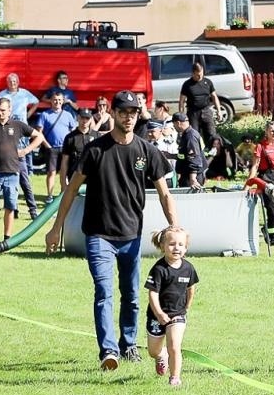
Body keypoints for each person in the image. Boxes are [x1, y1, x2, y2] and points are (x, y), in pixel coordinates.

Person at [45, 90, 179, 370]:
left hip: (131, 235)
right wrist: (56, 228)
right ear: (113, 114)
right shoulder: (95, 149)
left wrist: (174, 226)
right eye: (123, 112)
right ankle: (109, 351)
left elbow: (165, 194)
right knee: (104, 291)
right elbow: (70, 190)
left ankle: (128, 344)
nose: (128, 118)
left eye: (133, 113)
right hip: (98, 234)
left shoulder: (147, 151)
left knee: (131, 295)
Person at [145, 225, 199, 386]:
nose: (176, 248)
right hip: (157, 316)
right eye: (172, 244)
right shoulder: (159, 269)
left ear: (186, 248)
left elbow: (191, 288)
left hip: (177, 315)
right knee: (152, 351)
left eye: (181, 245)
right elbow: (152, 293)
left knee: (174, 346)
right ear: (162, 246)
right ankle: (161, 356)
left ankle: (175, 378)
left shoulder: (188, 268)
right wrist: (159, 313)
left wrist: (187, 306)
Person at [0, 97, 37, 247]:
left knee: (10, 207)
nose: (1, 113)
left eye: (3, 110)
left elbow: (38, 136)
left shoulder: (18, 126)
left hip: (12, 172)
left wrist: (25, 150)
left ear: (10, 110)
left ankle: (7, 240)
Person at [37, 97, 77, 197]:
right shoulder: (45, 115)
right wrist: (47, 145)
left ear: (62, 101)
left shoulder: (68, 115)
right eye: (55, 100)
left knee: (65, 172)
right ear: (51, 101)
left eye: (59, 100)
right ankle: (49, 196)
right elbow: (39, 133)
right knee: (51, 172)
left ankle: (63, 194)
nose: (57, 102)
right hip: (52, 148)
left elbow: (73, 131)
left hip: (65, 148)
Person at [177, 62, 219, 145]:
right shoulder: (187, 84)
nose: (200, 77)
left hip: (206, 111)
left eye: (201, 74)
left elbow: (214, 96)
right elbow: (181, 100)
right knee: (194, 134)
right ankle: (197, 152)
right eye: (198, 75)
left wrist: (219, 111)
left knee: (211, 133)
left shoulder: (208, 82)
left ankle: (211, 152)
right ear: (193, 73)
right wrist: (181, 114)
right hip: (193, 112)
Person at [59, 109, 98, 191]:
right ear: (78, 118)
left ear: (90, 119)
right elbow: (64, 161)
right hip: (74, 176)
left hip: (93, 177)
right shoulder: (70, 137)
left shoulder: (96, 136)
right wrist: (63, 183)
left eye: (87, 118)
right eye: (82, 118)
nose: (84, 121)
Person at [170, 111, 206, 190]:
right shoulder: (186, 134)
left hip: (192, 177)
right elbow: (184, 156)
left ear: (178, 123)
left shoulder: (190, 137)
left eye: (174, 124)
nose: (174, 126)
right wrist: (169, 155)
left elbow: (194, 158)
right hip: (187, 175)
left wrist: (193, 179)